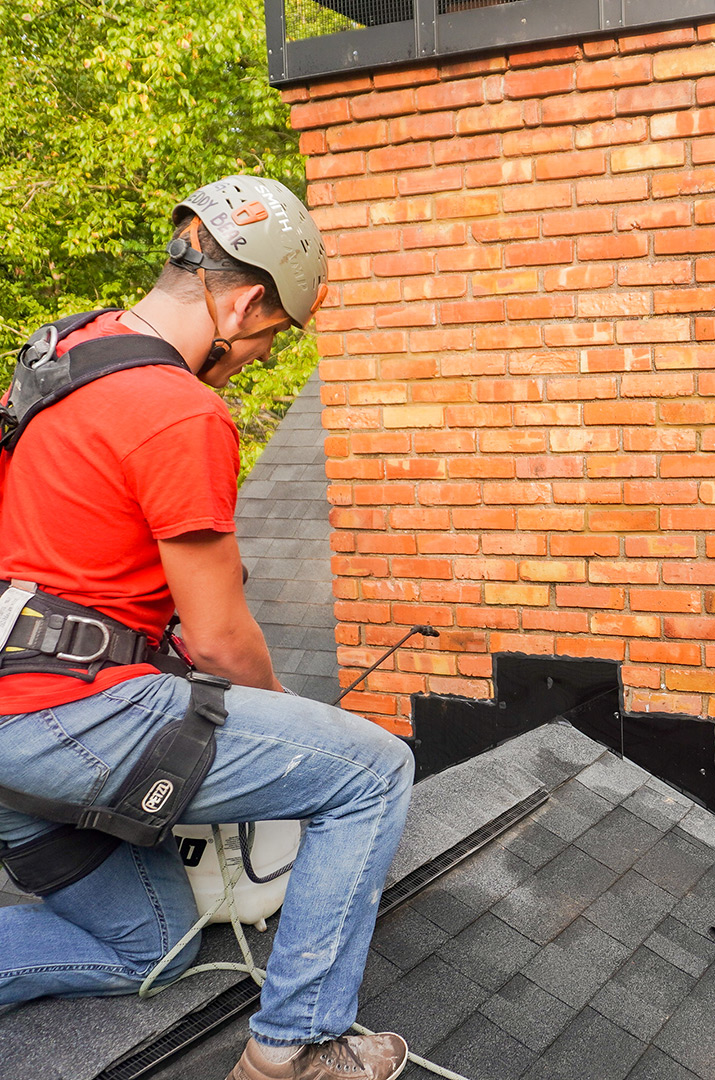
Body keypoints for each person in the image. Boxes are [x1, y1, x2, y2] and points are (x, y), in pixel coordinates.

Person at [0, 176, 413, 1080]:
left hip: (15, 731)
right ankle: (295, 1051)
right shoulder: (179, 410)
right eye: (269, 336)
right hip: (63, 717)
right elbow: (223, 641)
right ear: (243, 299)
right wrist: (302, 741)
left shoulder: (65, 353)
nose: (263, 356)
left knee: (150, 946)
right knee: (371, 771)